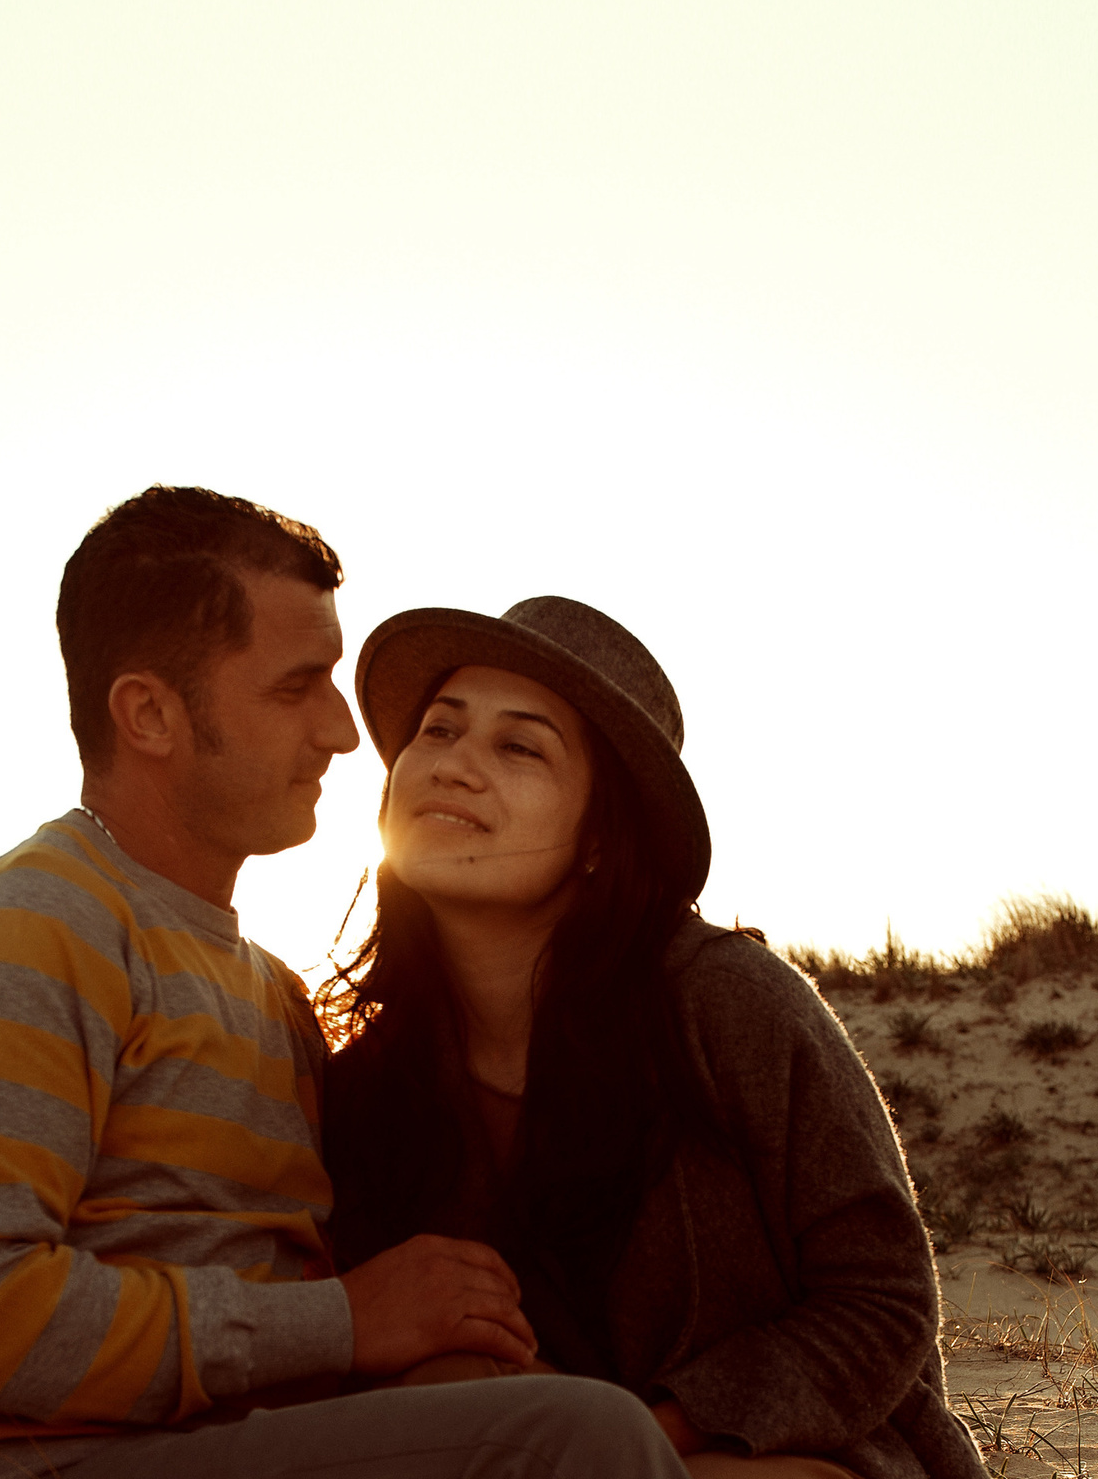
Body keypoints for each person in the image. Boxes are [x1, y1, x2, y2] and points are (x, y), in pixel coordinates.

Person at [0, 488, 682, 1479]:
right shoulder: (24, 929)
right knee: (577, 1442)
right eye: (298, 686)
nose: (341, 728)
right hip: (31, 1461)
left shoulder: (272, 992)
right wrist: (342, 1319)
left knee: (563, 1410)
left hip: (221, 1444)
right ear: (150, 712)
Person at [321, 597, 982, 1479]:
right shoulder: (369, 1083)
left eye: (519, 746)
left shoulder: (726, 1003)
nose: (454, 766)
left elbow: (882, 1301)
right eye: (438, 732)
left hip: (786, 1460)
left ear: (601, 835)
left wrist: (641, 1431)